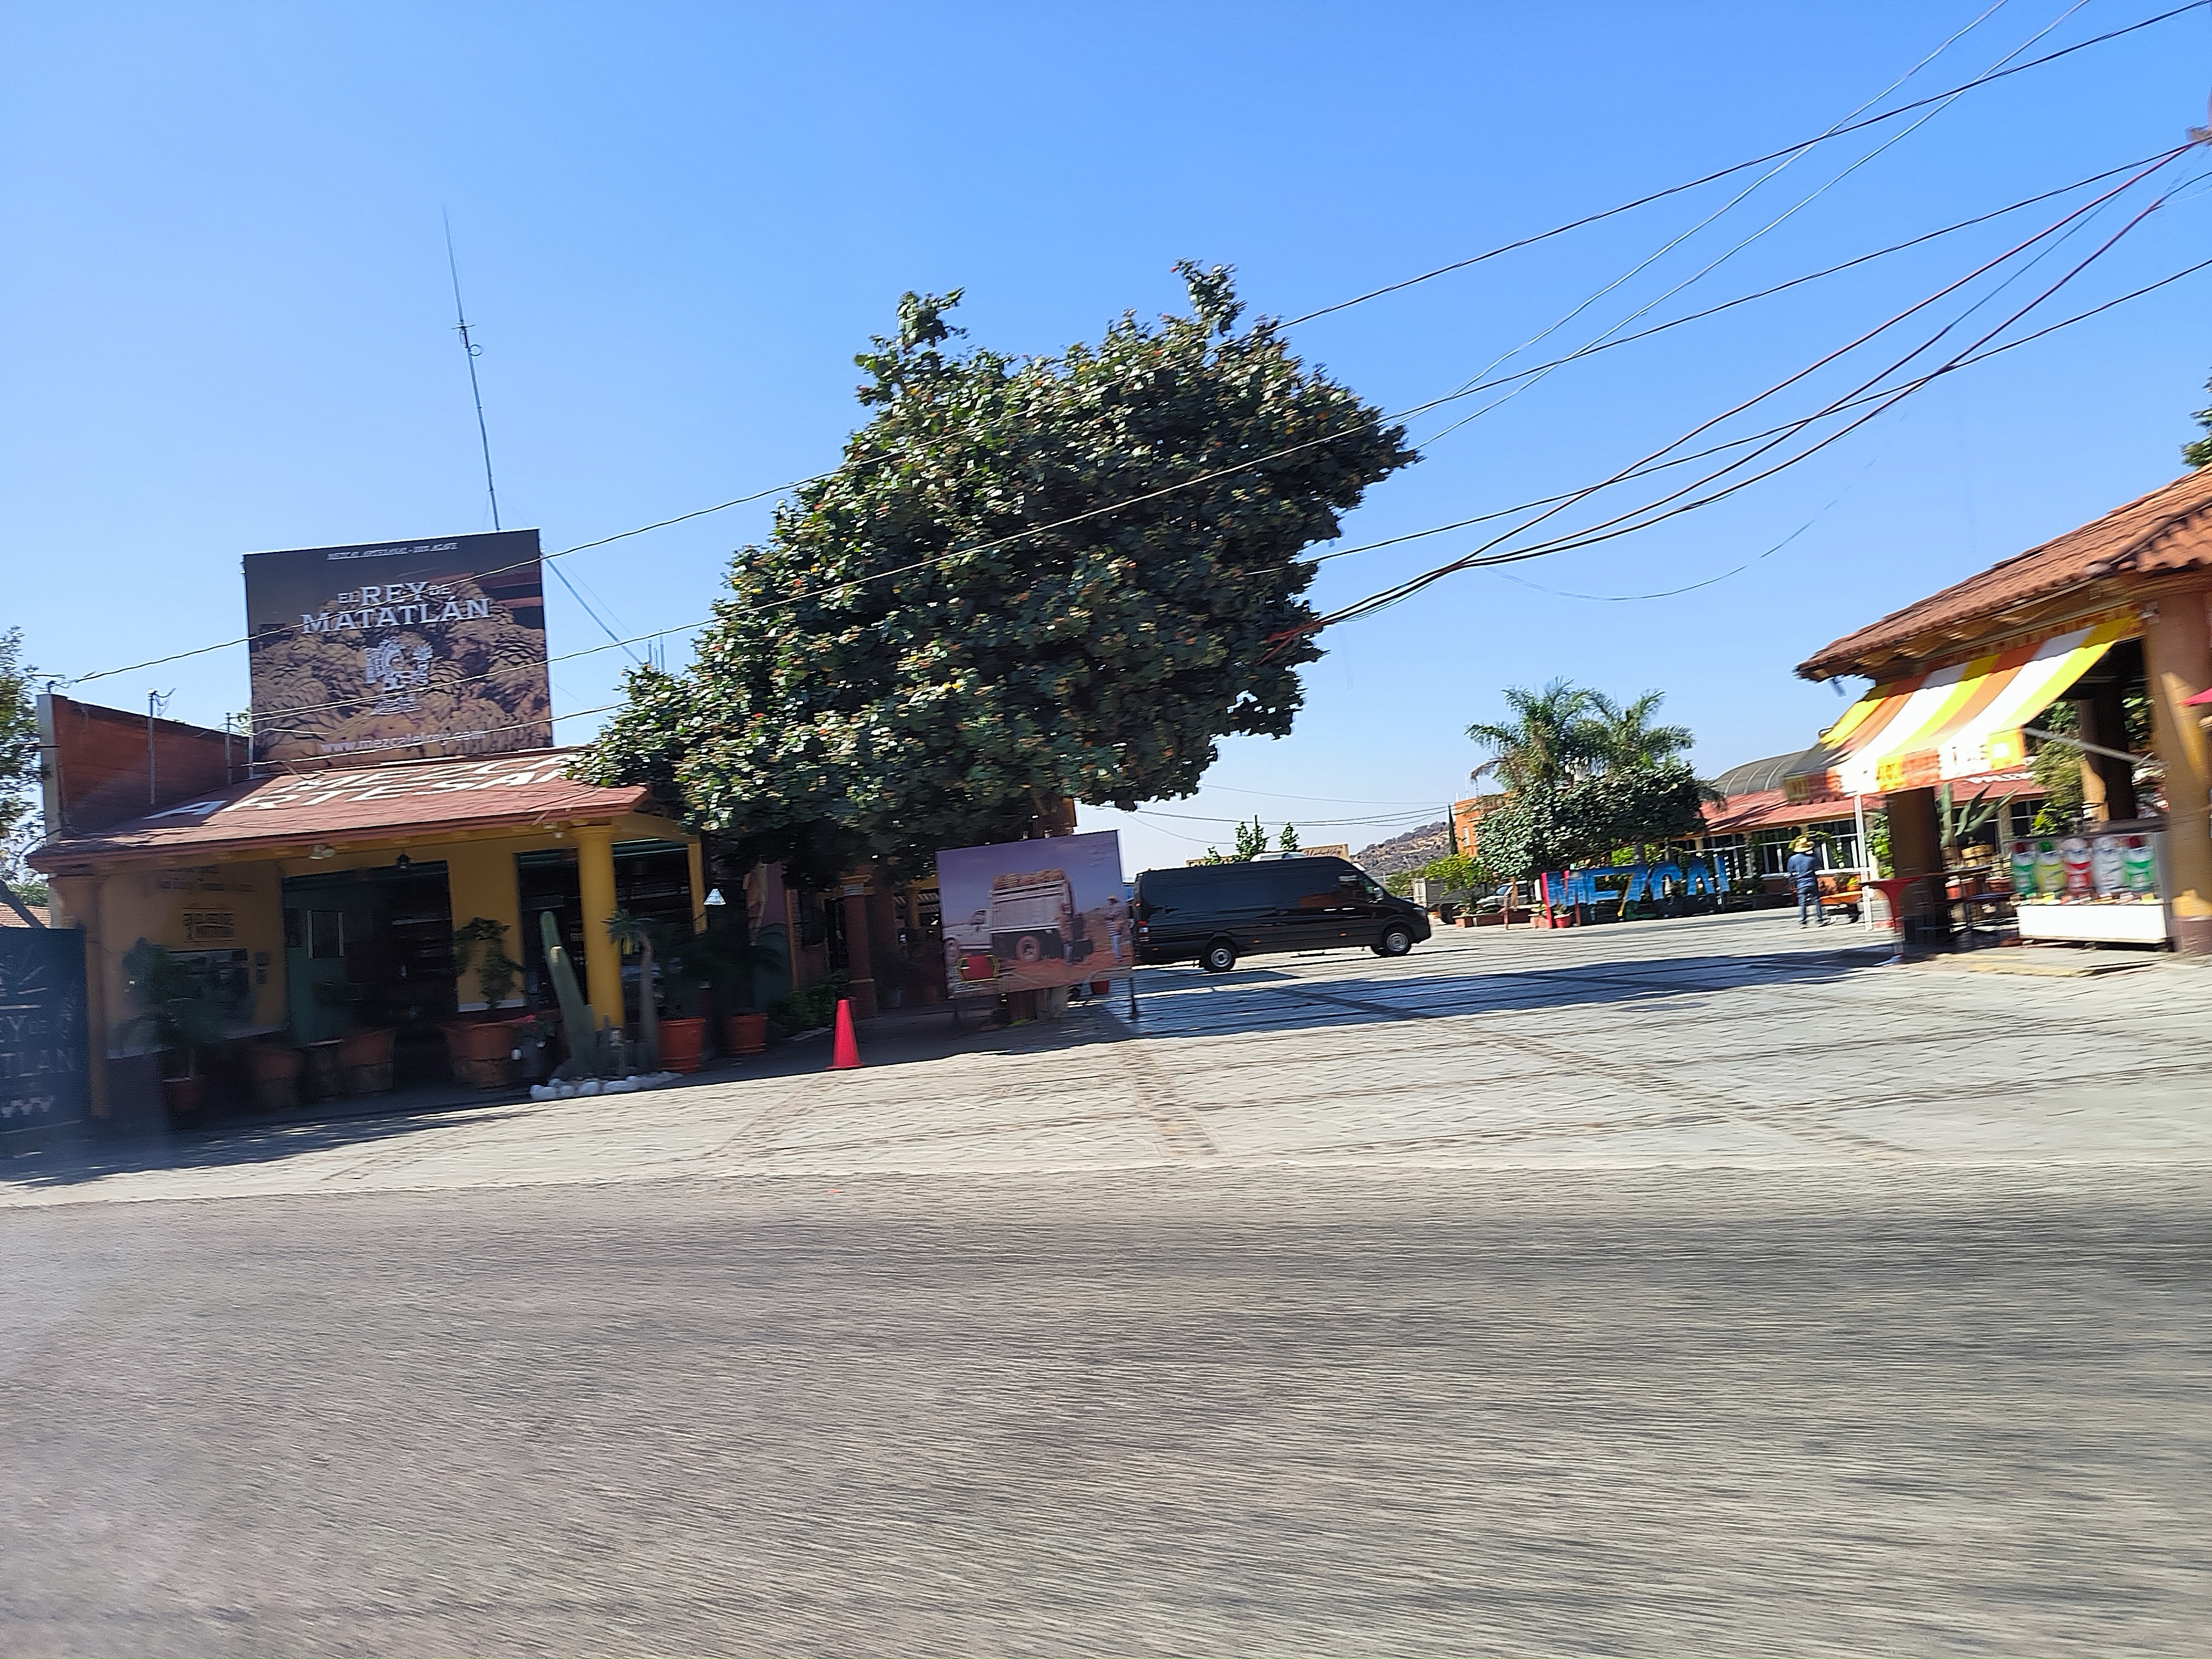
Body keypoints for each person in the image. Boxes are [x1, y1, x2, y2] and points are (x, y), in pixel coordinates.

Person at [1786, 837, 1826, 927]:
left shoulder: (1792, 859)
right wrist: (1813, 852)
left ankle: (1803, 921)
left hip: (1801, 883)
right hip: (1812, 881)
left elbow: (1791, 873)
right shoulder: (1812, 858)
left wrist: (1792, 884)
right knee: (1816, 901)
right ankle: (1820, 920)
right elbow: (1819, 865)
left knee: (1802, 903)